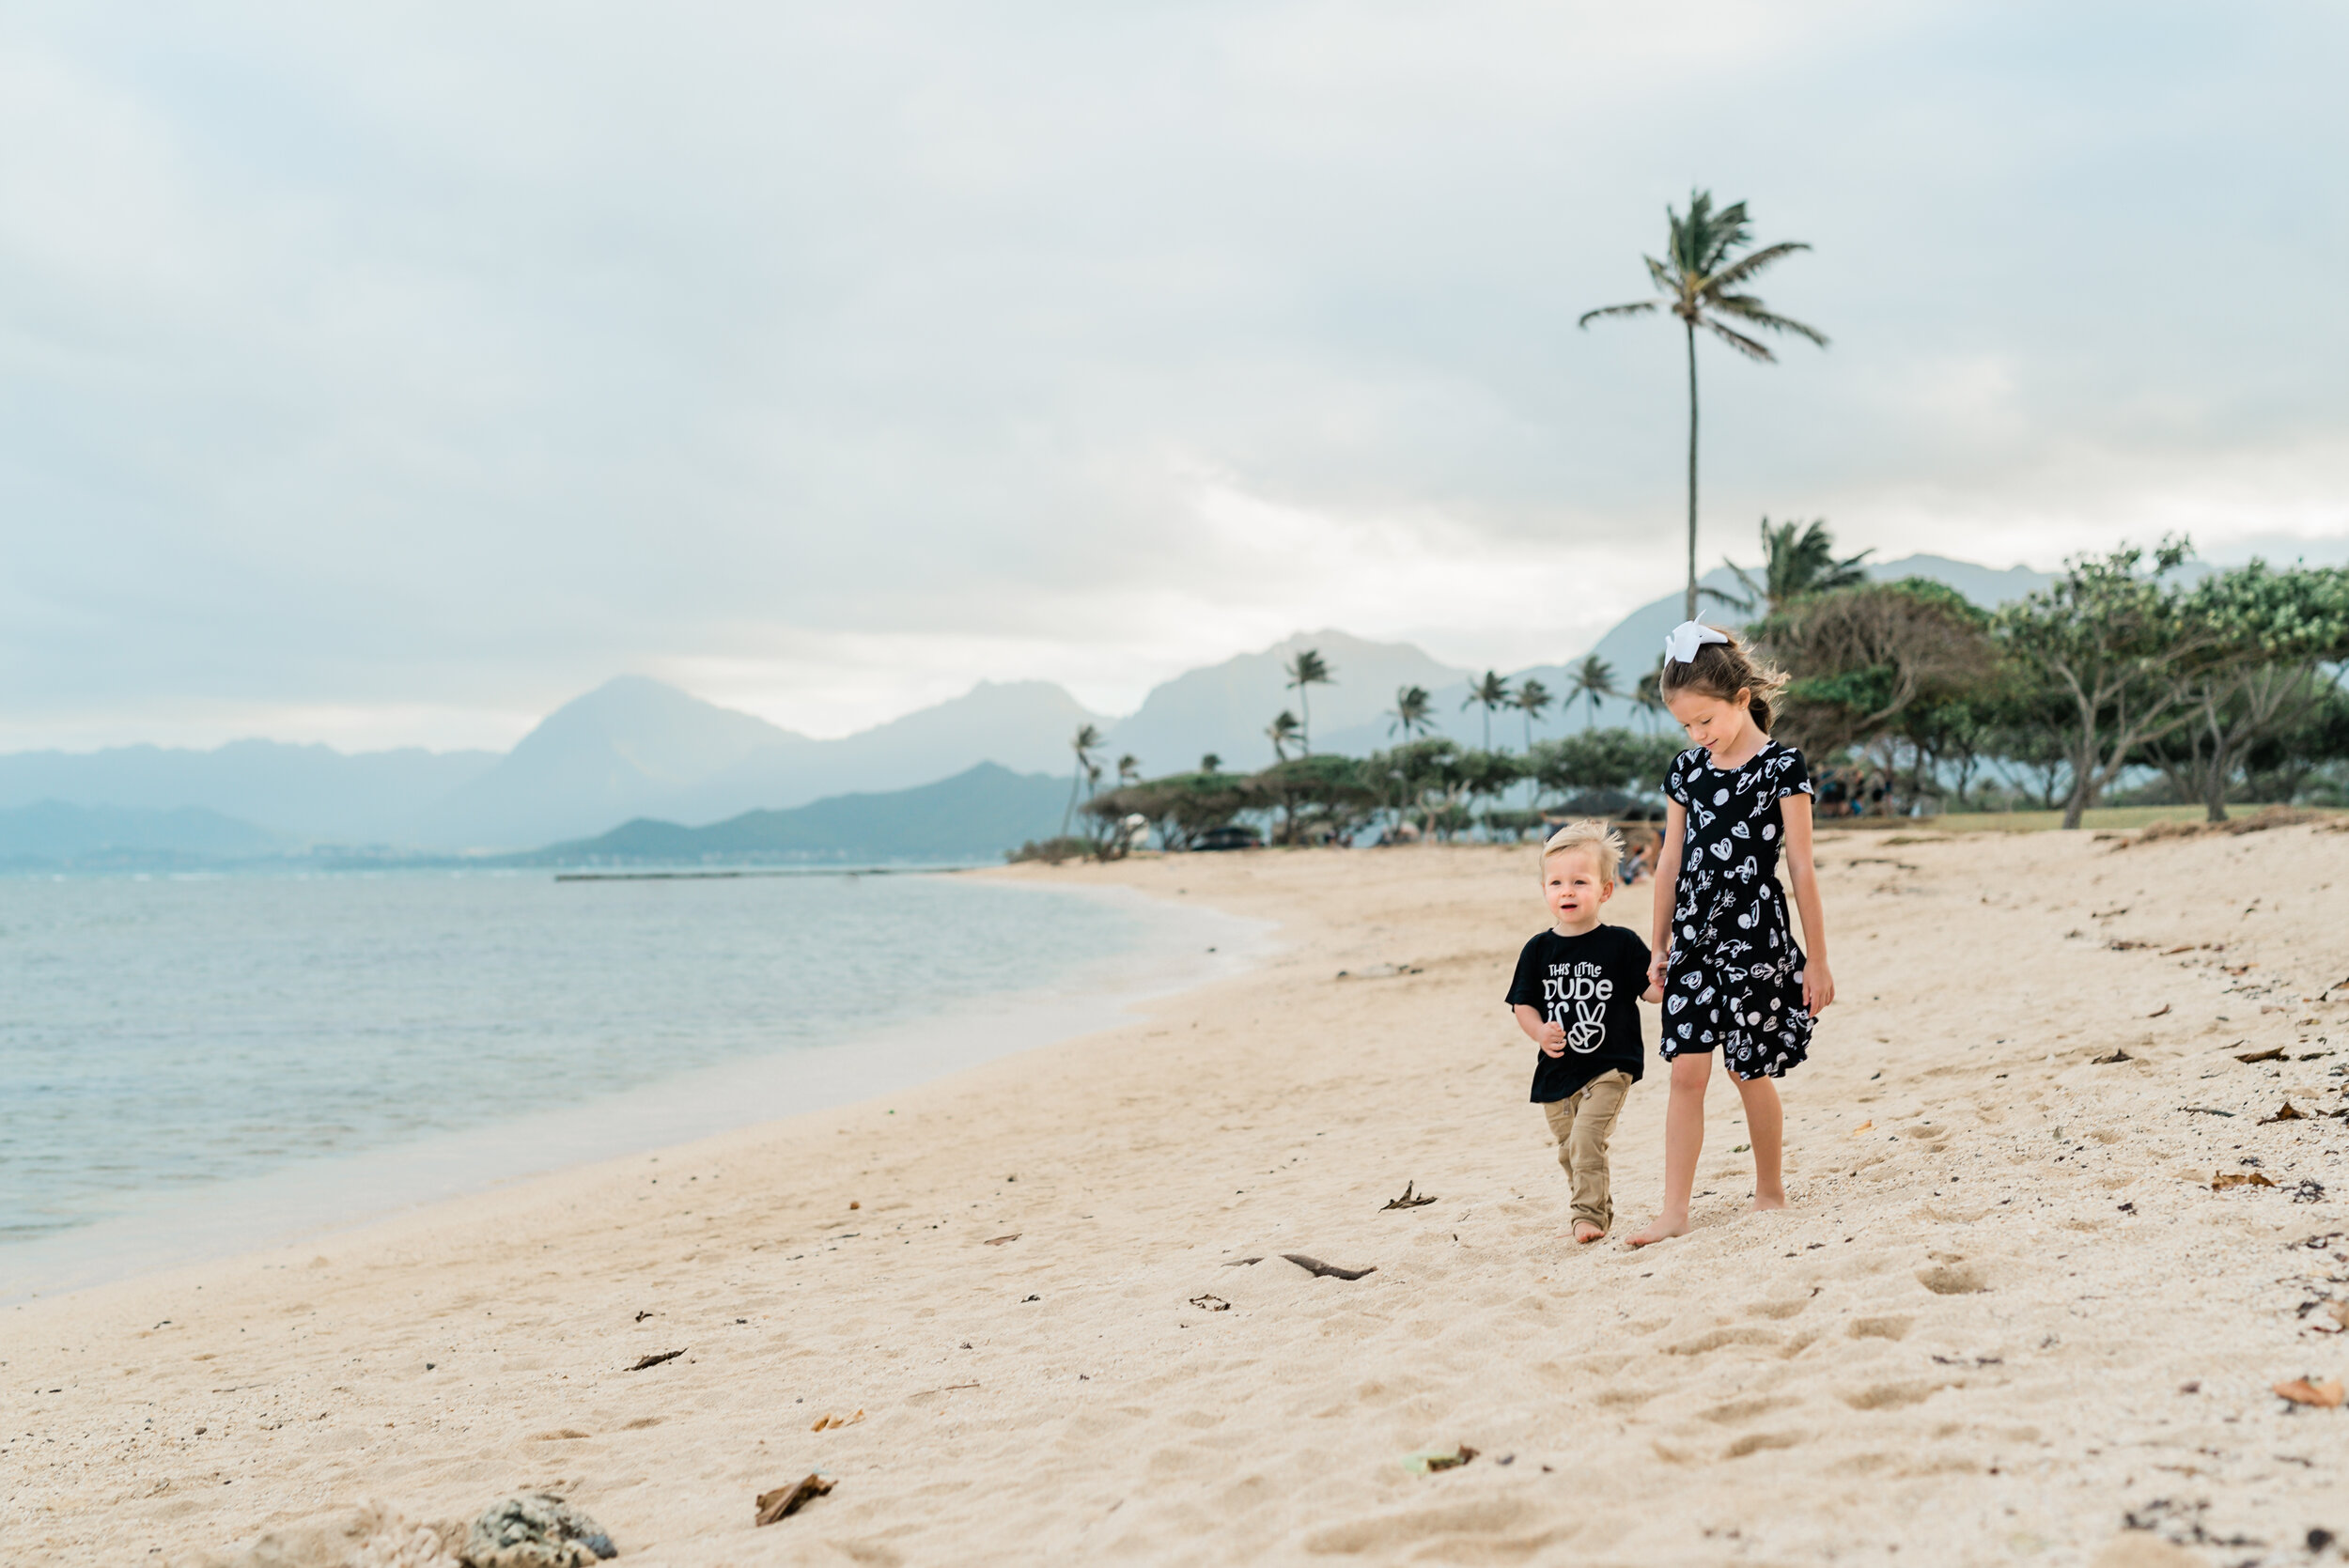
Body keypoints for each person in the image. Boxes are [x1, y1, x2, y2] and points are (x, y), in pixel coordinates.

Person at [1627, 622, 1835, 1248]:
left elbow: (1801, 866)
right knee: (1686, 1072)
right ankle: (1674, 1212)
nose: (1697, 735)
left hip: (1756, 939)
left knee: (1748, 1070)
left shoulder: (1782, 766)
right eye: (1686, 726)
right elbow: (1668, 864)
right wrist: (1659, 948)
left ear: (1741, 697)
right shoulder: (1687, 770)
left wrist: (1817, 961)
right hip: (1692, 939)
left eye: (1705, 720)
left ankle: (1770, 1190)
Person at [1505, 820, 1662, 1245]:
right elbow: (1523, 1004)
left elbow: (1649, 991)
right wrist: (1539, 1033)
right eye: (1556, 882)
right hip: (1557, 1070)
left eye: (1579, 881)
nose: (1567, 891)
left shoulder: (1622, 944)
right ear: (1544, 890)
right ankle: (1599, 1209)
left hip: (1610, 1063)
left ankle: (1585, 1216)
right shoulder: (1538, 949)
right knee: (1569, 1148)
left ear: (1605, 890)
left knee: (1587, 1138)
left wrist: (1663, 978)